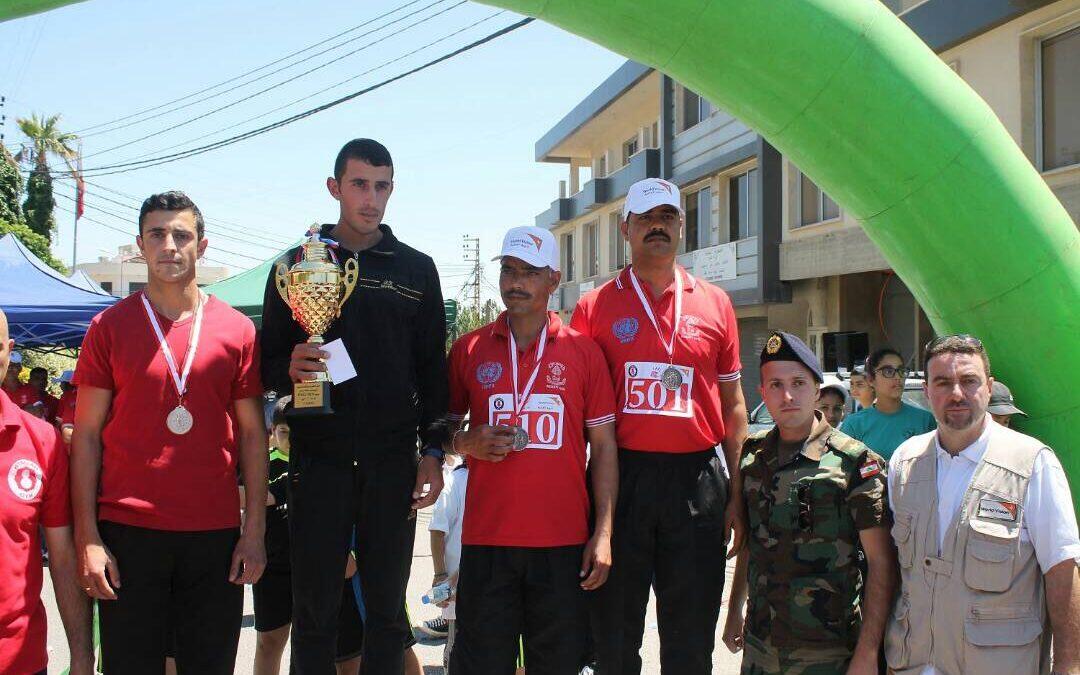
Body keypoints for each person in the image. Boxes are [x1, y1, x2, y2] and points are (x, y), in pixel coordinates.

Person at [259, 138, 448, 675]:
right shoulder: (297, 267)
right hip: (318, 461)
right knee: (314, 611)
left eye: (381, 185)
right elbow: (267, 361)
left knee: (387, 613)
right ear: (334, 187)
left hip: (392, 465)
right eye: (359, 184)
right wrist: (286, 368)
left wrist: (432, 449)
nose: (370, 198)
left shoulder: (416, 269)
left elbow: (433, 372)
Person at [70, 191, 267, 674]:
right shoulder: (109, 326)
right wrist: (88, 538)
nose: (170, 245)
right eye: (157, 234)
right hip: (129, 534)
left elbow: (252, 436)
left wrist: (254, 531)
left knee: (209, 665)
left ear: (202, 246)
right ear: (140, 244)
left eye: (181, 235)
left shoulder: (237, 329)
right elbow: (87, 435)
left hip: (214, 536)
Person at [571, 177, 748, 674]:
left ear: (682, 228)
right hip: (620, 479)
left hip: (697, 482)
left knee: (690, 642)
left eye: (667, 218)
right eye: (646, 218)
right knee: (613, 638)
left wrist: (736, 491)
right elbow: (577, 407)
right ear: (626, 229)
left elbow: (734, 405)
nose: (657, 227)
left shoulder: (715, 303)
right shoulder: (594, 307)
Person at [446, 226, 618, 673]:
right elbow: (437, 431)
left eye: (529, 272)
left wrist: (603, 532)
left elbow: (603, 448)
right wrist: (466, 441)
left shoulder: (584, 352)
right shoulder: (469, 348)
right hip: (487, 542)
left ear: (553, 280)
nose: (515, 282)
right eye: (508, 270)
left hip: (561, 546)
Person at [886, 334, 1080, 675]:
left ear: (988, 388)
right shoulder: (905, 463)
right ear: (927, 391)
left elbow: (1063, 572)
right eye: (943, 382)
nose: (956, 394)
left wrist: (1069, 666)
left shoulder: (1031, 464)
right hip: (913, 665)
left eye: (969, 381)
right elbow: (898, 575)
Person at [723, 331, 895, 674]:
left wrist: (869, 651)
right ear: (762, 394)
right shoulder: (752, 457)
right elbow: (750, 543)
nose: (787, 395)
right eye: (775, 385)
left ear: (816, 390)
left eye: (799, 382)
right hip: (761, 647)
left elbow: (882, 563)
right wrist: (733, 612)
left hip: (829, 654)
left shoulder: (855, 464)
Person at [0, 310, 93, 675]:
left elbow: (64, 557)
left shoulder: (40, 442)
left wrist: (82, 657)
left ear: (9, 351)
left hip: (18, 660)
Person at [840, 347, 934, 460]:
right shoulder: (854, 424)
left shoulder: (925, 420)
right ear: (871, 379)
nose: (897, 377)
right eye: (888, 371)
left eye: (901, 371)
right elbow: (843, 470)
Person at [427, 458, 468, 670]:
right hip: (456, 590)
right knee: (455, 651)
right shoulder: (457, 480)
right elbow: (437, 529)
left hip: (491, 587)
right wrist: (440, 574)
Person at [53, 370, 77, 445]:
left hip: (67, 436)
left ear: (67, 384)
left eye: (61, 383)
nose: (60, 385)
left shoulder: (66, 396)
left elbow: (59, 419)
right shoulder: (82, 395)